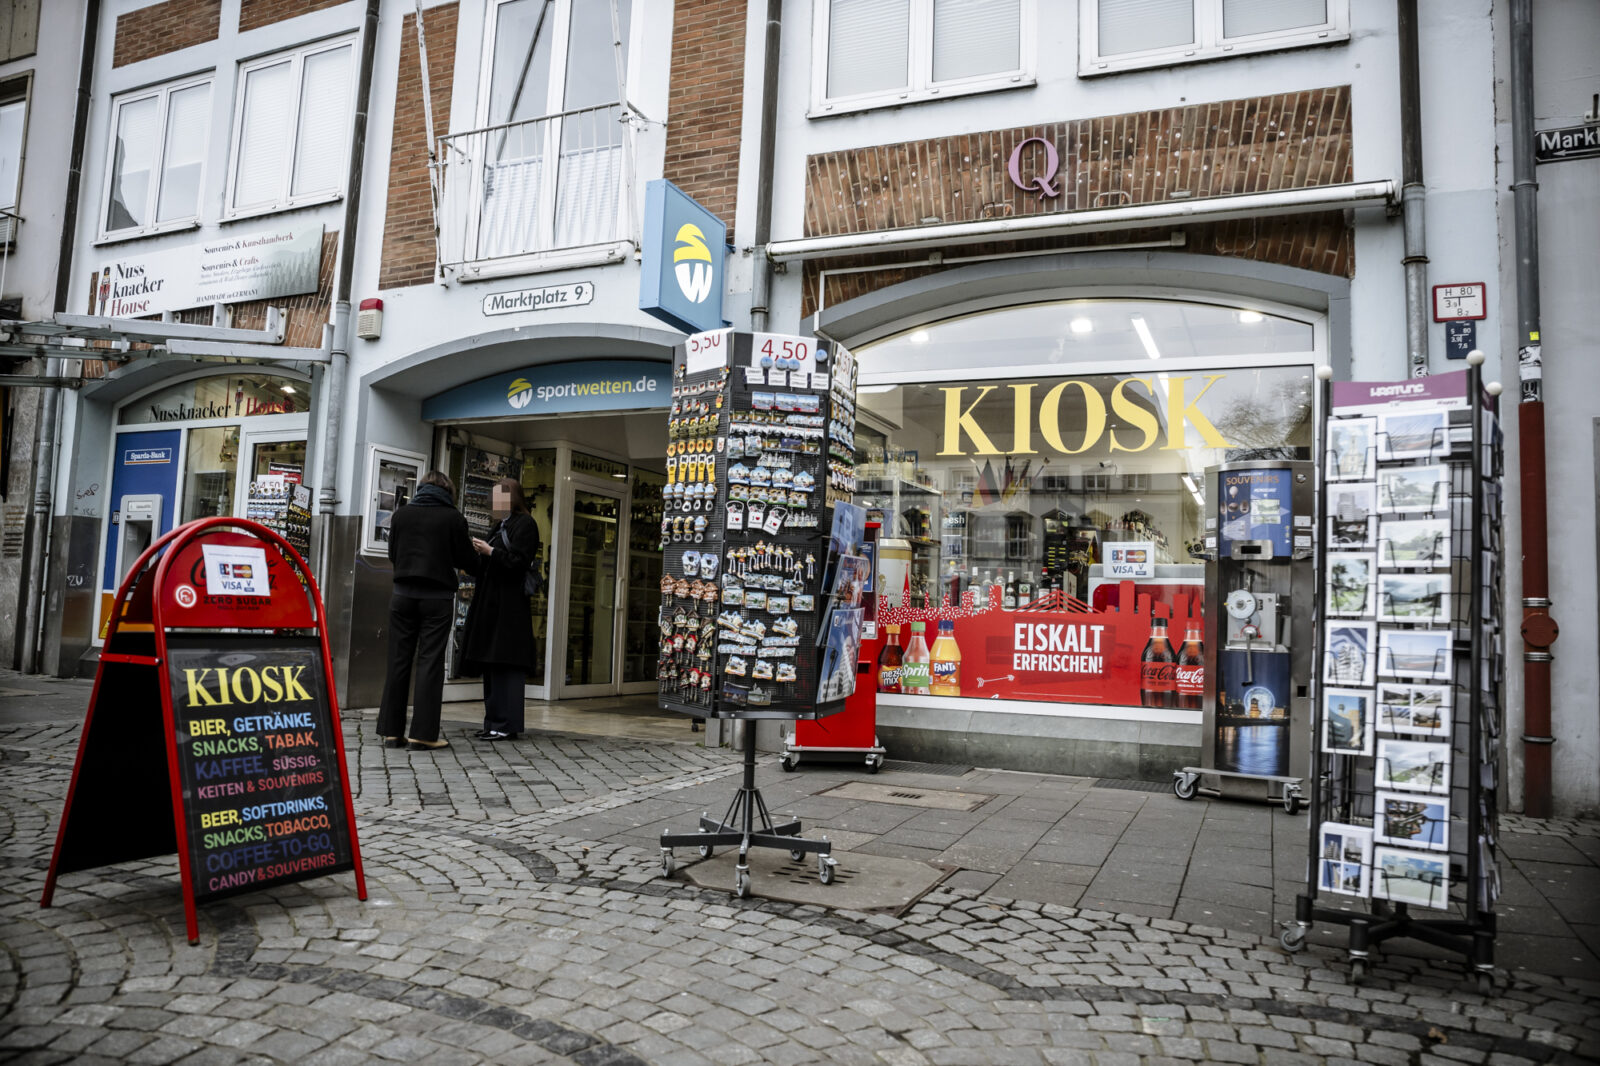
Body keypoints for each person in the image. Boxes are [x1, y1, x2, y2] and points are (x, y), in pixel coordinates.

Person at [377, 471, 478, 752]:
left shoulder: (401, 515)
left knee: (398, 661)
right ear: (448, 491)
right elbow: (465, 559)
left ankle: (391, 732)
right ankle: (422, 734)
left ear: (421, 489)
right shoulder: (453, 518)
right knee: (429, 663)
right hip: (436, 598)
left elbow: (393, 554)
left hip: (402, 596)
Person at [459, 477, 539, 741]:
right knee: (492, 665)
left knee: (507, 664)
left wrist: (490, 551)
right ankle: (493, 720)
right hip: (491, 605)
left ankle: (506, 723)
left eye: (499, 498)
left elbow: (519, 562)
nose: (494, 503)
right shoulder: (499, 525)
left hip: (510, 607)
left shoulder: (525, 524)